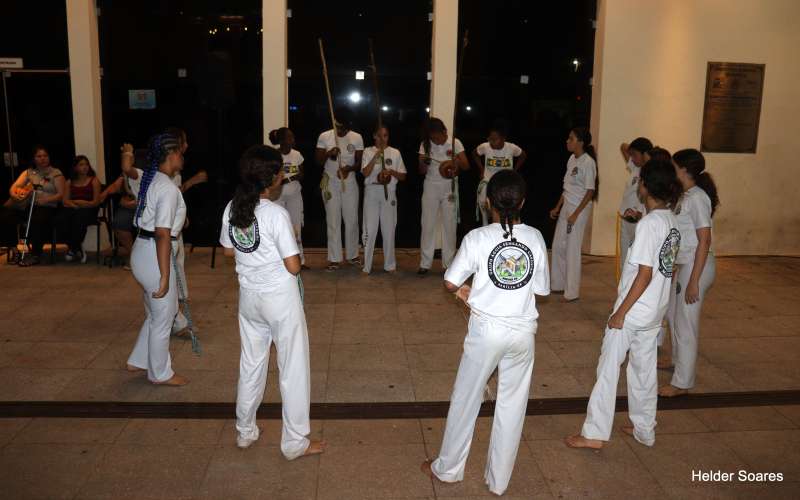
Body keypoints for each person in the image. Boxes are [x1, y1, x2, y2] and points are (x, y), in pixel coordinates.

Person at [421, 170, 549, 496]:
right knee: (512, 405)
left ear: (487, 201)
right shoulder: (535, 237)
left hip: (487, 331)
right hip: (522, 333)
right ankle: (499, 480)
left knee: (466, 399)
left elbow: (450, 281)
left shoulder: (477, 238)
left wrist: (465, 291)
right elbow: (541, 289)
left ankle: (448, 469)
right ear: (522, 202)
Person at [565, 158, 681, 450]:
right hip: (653, 311)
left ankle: (594, 433)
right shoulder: (670, 219)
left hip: (634, 311)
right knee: (643, 371)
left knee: (607, 369)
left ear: (645, 187)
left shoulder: (650, 224)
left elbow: (644, 273)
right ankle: (644, 429)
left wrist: (620, 313)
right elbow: (666, 265)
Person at [220, 144, 325, 459]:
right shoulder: (276, 214)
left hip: (249, 300)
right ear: (274, 177)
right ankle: (295, 442)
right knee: (292, 368)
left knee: (251, 364)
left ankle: (245, 431)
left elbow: (228, 251)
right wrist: (286, 242)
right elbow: (293, 266)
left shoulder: (232, 207)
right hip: (279, 301)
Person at [125, 132, 189, 387]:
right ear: (171, 155)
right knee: (165, 314)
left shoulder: (152, 179)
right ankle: (160, 373)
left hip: (143, 250)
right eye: (180, 153)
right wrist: (164, 276)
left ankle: (139, 360)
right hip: (154, 254)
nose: (183, 157)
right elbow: (162, 233)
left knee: (156, 312)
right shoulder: (167, 188)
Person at [658, 149, 719, 397]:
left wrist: (694, 281)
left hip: (697, 266)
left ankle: (682, 383)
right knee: (674, 316)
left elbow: (705, 240)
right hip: (685, 265)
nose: (671, 170)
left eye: (674, 166)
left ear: (683, 169)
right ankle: (677, 361)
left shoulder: (698, 198)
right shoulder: (685, 196)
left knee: (686, 324)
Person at [549, 127, 598, 301]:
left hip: (579, 208)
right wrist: (557, 207)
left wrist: (576, 214)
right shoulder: (571, 159)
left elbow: (590, 191)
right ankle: (558, 284)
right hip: (567, 206)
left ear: (581, 142)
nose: (567, 141)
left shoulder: (588, 162)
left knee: (572, 249)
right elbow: (567, 187)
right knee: (558, 246)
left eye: (571, 138)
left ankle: (572, 292)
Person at [418, 117, 469, 275]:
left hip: (449, 188)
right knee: (427, 224)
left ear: (444, 132)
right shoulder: (425, 144)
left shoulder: (455, 142)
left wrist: (456, 161)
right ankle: (425, 263)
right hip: (431, 186)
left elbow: (466, 166)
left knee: (450, 225)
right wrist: (424, 162)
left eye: (438, 138)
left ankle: (449, 264)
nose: (436, 141)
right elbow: (421, 171)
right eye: (432, 138)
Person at [0, 145, 65, 266]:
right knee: (6, 216)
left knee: (37, 220)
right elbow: (14, 187)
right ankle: (15, 251)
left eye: (45, 156)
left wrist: (45, 200)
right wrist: (14, 195)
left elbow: (61, 195)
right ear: (34, 158)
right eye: (39, 156)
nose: (42, 158)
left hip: (48, 206)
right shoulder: (29, 172)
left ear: (49, 157)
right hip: (28, 205)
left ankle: (36, 254)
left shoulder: (56, 173)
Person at [315, 113, 363, 271]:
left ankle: (352, 255)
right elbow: (318, 161)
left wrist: (349, 169)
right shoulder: (325, 136)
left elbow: (360, 162)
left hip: (349, 181)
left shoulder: (356, 137)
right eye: (338, 127)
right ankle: (334, 259)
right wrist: (328, 153)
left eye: (344, 128)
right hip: (330, 181)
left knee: (352, 219)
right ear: (335, 123)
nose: (341, 131)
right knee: (333, 220)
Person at [361, 125, 407, 274]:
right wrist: (376, 155)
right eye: (380, 136)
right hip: (372, 192)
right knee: (369, 229)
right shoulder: (368, 151)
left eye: (385, 135)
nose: (383, 139)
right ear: (374, 136)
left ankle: (390, 265)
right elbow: (365, 173)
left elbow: (403, 176)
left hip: (389, 192)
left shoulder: (395, 152)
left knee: (389, 229)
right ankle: (367, 266)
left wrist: (391, 172)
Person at [472, 121, 527, 226]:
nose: (491, 142)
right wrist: (481, 169)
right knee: (484, 205)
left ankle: (511, 226)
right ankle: (485, 225)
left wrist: (514, 170)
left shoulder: (511, 148)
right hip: (488, 181)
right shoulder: (485, 146)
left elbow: (523, 155)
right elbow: (474, 154)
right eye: (490, 139)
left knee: (507, 206)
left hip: (505, 183)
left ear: (503, 139)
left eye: (495, 139)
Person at [270, 127, 308, 269]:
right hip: (278, 196)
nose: (293, 140)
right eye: (289, 137)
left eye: (292, 137)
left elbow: (302, 175)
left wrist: (285, 179)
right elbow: (273, 178)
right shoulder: (274, 155)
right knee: (279, 228)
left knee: (296, 227)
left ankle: (300, 260)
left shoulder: (297, 155)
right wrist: (290, 178)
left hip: (294, 196)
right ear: (281, 140)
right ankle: (280, 262)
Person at [58, 155, 102, 263]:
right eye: (81, 164)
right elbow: (65, 201)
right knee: (61, 219)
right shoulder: (69, 182)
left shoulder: (94, 181)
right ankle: (76, 247)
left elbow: (96, 202)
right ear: (75, 168)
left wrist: (83, 203)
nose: (85, 167)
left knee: (79, 218)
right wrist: (75, 204)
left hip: (90, 209)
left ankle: (73, 248)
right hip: (74, 207)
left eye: (86, 164)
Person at [618, 138, 653, 267]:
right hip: (626, 217)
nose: (632, 158)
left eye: (635, 155)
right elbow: (623, 146)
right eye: (631, 155)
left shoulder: (651, 173)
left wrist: (639, 213)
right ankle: (624, 281)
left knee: (636, 258)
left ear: (645, 154)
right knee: (624, 258)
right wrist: (634, 149)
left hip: (638, 219)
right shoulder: (635, 167)